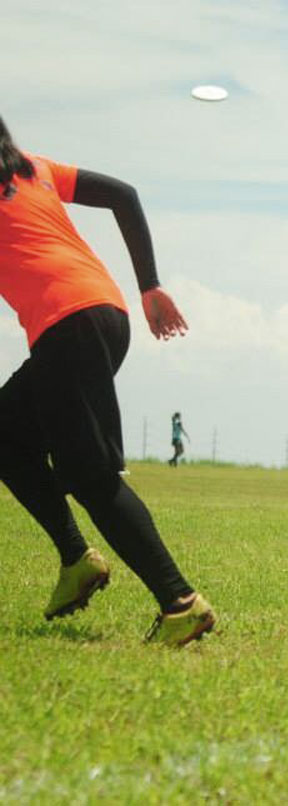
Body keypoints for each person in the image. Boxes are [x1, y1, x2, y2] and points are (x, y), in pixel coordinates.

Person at [0, 117, 214, 645]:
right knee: (6, 434)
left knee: (90, 476)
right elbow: (124, 195)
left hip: (68, 324)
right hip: (104, 313)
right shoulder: (35, 170)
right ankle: (76, 559)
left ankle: (179, 602)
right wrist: (150, 286)